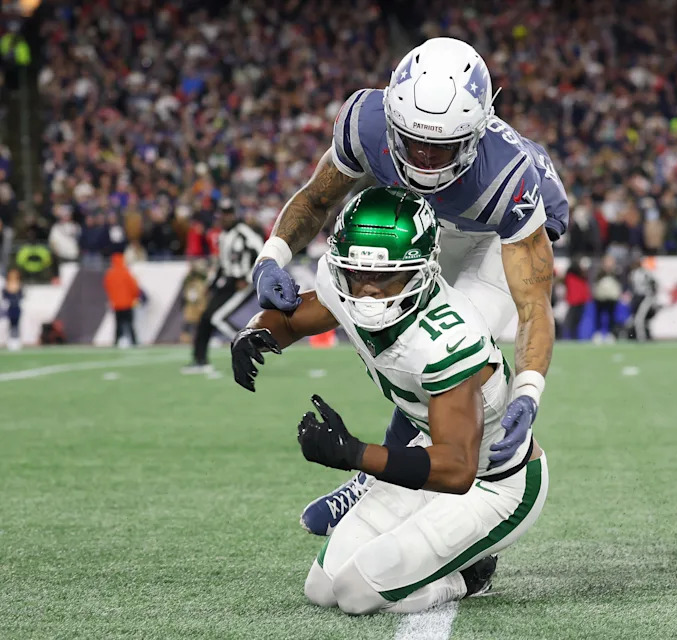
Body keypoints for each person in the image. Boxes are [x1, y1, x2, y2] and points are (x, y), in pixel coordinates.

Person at [252, 38, 567, 535]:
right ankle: (393, 474)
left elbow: (533, 307)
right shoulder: (365, 122)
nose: (423, 158)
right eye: (413, 140)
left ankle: (383, 480)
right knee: (394, 324)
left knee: (446, 346)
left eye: (441, 146)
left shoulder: (508, 179)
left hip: (491, 233)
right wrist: (270, 257)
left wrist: (529, 392)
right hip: (430, 218)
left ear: (474, 133)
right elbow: (316, 199)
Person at [231, 188, 547, 614]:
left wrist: (355, 454)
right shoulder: (345, 287)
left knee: (359, 594)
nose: (368, 291)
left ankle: (468, 579)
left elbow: (457, 470)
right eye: (356, 273)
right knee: (322, 588)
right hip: (428, 453)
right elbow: (292, 318)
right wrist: (254, 330)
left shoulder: (448, 340)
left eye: (386, 276)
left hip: (494, 483)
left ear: (424, 271)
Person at [183, 200, 264, 372]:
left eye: (229, 213)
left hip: (241, 282)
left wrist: (248, 278)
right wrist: (210, 284)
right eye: (223, 213)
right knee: (206, 318)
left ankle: (250, 349)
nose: (226, 217)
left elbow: (261, 252)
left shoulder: (245, 233)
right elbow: (222, 263)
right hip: (227, 281)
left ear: (234, 214)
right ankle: (200, 360)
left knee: (217, 318)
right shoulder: (223, 236)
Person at [103, 253, 140, 347]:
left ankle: (116, 341)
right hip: (128, 303)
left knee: (118, 324)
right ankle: (133, 341)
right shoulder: (126, 273)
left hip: (116, 304)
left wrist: (113, 299)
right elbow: (134, 287)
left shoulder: (110, 274)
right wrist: (134, 297)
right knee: (130, 324)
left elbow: (107, 287)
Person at [624, 256, 657, 341]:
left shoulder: (642, 273)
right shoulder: (636, 273)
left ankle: (642, 337)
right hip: (639, 298)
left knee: (639, 318)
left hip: (645, 297)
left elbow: (653, 285)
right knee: (637, 318)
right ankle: (639, 336)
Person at [592, 256, 622, 343]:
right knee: (598, 315)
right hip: (600, 297)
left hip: (612, 297)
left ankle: (611, 334)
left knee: (612, 316)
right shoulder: (599, 272)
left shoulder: (616, 272)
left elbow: (620, 283)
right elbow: (595, 282)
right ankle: (598, 334)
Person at [563, 258, 590, 340]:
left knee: (576, 321)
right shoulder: (571, 275)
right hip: (573, 301)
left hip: (580, 301)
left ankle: (573, 337)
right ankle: (568, 337)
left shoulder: (582, 277)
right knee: (571, 321)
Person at [2, 267, 23, 350]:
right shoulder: (7, 285)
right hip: (10, 307)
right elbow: (4, 296)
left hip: (16, 307)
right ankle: (11, 341)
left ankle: (17, 341)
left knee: (16, 325)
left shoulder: (19, 285)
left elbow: (21, 296)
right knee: (11, 325)